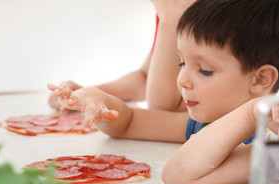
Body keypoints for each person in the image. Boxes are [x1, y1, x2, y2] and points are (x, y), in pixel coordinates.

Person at [49, 0, 279, 184]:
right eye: (182, 63)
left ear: (260, 80)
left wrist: (250, 113)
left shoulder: (273, 143)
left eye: (205, 70)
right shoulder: (203, 123)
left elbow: (179, 176)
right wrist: (98, 100)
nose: (182, 80)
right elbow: (129, 123)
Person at [48, 0, 196, 112]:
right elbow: (145, 79)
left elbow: (162, 110)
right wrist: (85, 95)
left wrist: (171, 17)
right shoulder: (170, 9)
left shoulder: (181, 11)